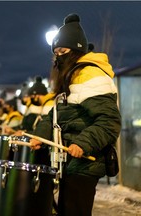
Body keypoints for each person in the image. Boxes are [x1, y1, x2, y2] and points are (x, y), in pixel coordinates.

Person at [30, 13, 121, 216]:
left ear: (76, 50)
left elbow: (109, 121)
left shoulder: (90, 74)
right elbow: (58, 113)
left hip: (86, 162)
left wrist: (83, 143)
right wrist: (40, 135)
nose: (58, 57)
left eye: (63, 51)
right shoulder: (74, 76)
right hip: (72, 162)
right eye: (55, 52)